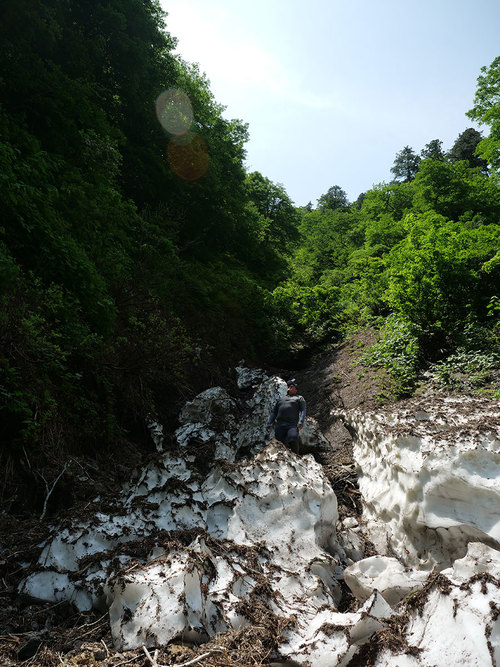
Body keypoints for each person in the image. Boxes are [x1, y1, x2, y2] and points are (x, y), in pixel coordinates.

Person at [265, 379, 306, 454]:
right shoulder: (281, 399)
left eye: (291, 386)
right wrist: (269, 423)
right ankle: (283, 460)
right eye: (288, 386)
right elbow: (274, 412)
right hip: (280, 425)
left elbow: (303, 410)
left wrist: (301, 422)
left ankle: (296, 456)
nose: (289, 388)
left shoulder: (299, 398)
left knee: (293, 439)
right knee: (280, 444)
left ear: (296, 389)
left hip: (292, 424)